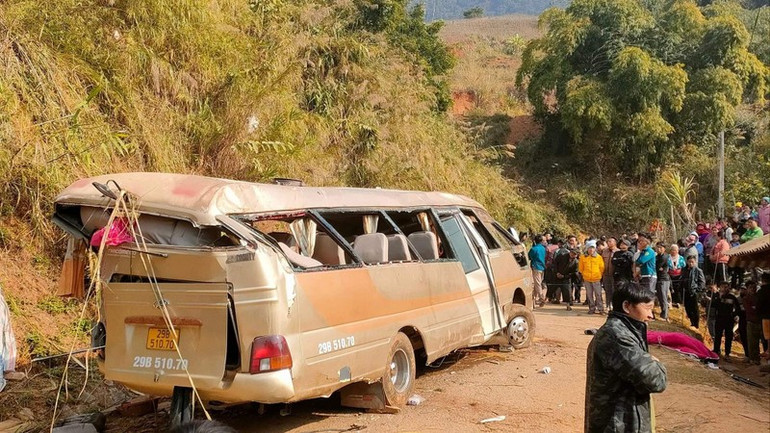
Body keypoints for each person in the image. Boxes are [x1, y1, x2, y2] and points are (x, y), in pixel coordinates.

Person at [584, 282, 667, 433]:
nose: (651, 315)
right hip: (617, 425)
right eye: (647, 308)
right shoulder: (617, 336)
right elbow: (655, 380)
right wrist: (656, 364)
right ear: (627, 306)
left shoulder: (624, 330)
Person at [713, 282, 739, 360]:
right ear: (720, 288)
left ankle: (727, 353)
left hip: (729, 319)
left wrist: (733, 315)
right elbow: (713, 305)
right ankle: (716, 350)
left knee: (728, 336)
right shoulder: (717, 296)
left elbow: (738, 308)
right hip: (719, 318)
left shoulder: (732, 297)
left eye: (726, 287)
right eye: (723, 287)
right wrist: (719, 297)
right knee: (718, 335)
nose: (725, 289)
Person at [580, 243, 605, 314]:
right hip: (587, 279)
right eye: (589, 248)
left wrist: (599, 275)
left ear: (595, 249)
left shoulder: (598, 257)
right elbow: (581, 268)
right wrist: (584, 274)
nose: (591, 250)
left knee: (598, 294)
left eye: (592, 248)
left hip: (596, 278)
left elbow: (602, 267)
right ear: (587, 249)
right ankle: (591, 308)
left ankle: (601, 309)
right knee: (589, 294)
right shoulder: (583, 257)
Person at [681, 255, 705, 328]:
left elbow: (702, 282)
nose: (691, 263)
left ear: (695, 262)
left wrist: (697, 290)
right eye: (689, 262)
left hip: (694, 292)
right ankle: (692, 322)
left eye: (692, 262)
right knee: (687, 307)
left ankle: (696, 324)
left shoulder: (698, 271)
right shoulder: (684, 270)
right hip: (686, 291)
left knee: (694, 308)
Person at [744, 281, 762, 364]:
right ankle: (752, 358)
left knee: (759, 340)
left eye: (754, 287)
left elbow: (759, 308)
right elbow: (750, 309)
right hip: (751, 321)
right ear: (747, 289)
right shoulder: (746, 298)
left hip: (759, 321)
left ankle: (757, 358)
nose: (753, 289)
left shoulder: (758, 297)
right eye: (751, 288)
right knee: (751, 341)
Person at [528, 235, 547, 307]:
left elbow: (529, 257)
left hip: (536, 267)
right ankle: (533, 299)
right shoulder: (543, 248)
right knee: (538, 283)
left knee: (537, 284)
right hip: (542, 267)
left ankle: (542, 298)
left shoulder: (533, 249)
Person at [654, 242, 671, 322]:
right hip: (658, 278)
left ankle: (665, 314)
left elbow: (657, 267)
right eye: (657, 247)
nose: (658, 249)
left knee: (663, 297)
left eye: (660, 247)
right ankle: (663, 313)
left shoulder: (665, 257)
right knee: (660, 297)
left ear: (664, 248)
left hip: (664, 279)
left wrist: (659, 268)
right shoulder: (657, 257)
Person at [602, 237, 618, 311]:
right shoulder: (604, 251)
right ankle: (608, 305)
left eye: (610, 241)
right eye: (608, 241)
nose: (609, 243)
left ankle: (614, 305)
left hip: (614, 275)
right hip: (605, 274)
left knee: (614, 290)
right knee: (607, 290)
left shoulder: (618, 252)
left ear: (615, 243)